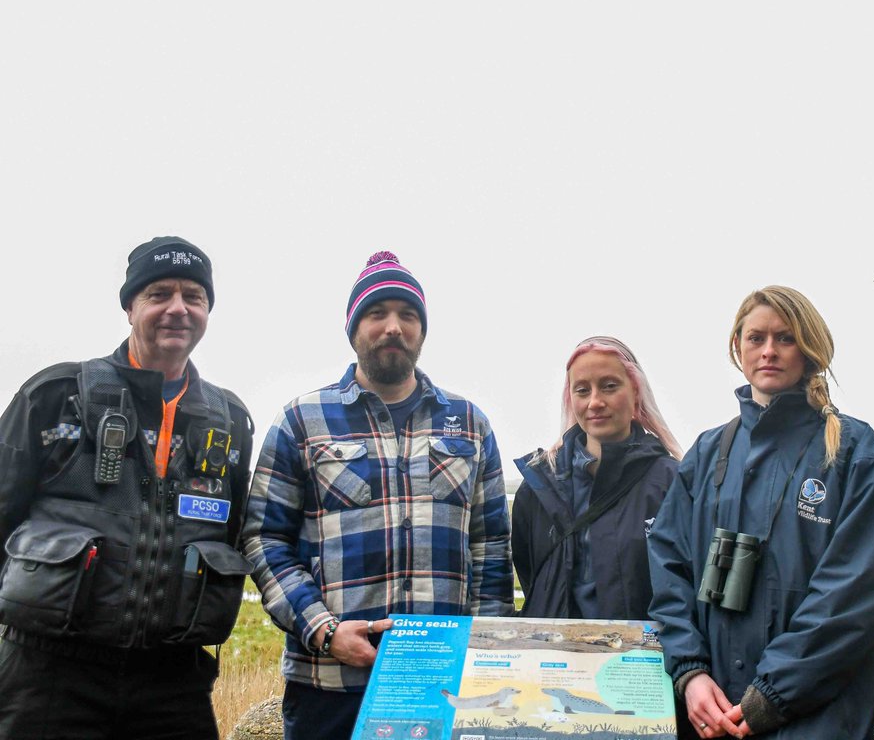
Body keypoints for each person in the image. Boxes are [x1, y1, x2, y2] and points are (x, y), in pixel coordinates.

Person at [241, 251, 514, 740]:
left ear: (422, 331)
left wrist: (486, 651)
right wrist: (324, 630)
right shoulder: (301, 421)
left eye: (408, 315)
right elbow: (264, 540)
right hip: (329, 688)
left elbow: (491, 547)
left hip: (441, 687)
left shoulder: (470, 423)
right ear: (353, 329)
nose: (393, 326)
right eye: (377, 313)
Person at [0, 237, 254, 740]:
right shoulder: (55, 397)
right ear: (130, 306)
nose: (178, 309)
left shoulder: (230, 423)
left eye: (193, 296)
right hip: (48, 674)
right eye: (159, 294)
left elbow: (240, 532)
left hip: (173, 681)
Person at [649, 285, 874, 740]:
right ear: (737, 348)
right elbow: (670, 570)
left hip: (816, 719)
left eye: (785, 338)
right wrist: (690, 673)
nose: (769, 351)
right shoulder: (707, 453)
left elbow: (857, 592)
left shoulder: (852, 451)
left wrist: (774, 693)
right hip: (714, 713)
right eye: (756, 338)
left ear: (810, 349)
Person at [512, 336, 682, 619]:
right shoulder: (538, 487)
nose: (595, 402)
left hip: (636, 659)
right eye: (582, 390)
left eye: (609, 386)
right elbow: (531, 576)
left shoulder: (670, 482)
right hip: (554, 656)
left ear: (636, 392)